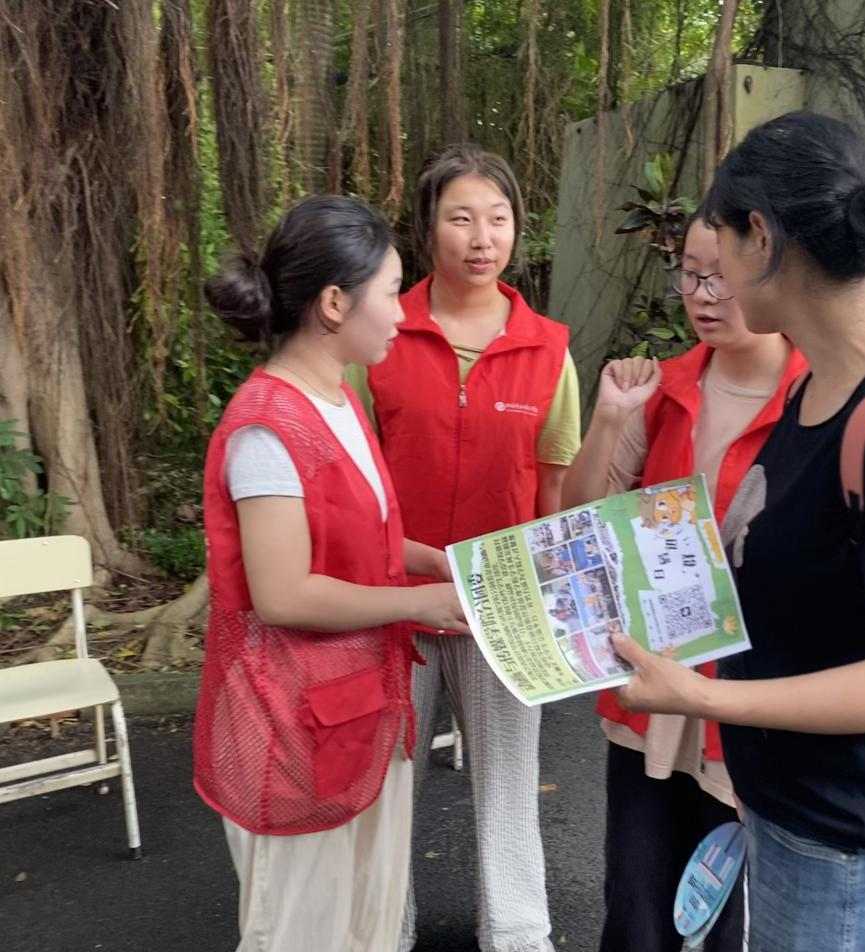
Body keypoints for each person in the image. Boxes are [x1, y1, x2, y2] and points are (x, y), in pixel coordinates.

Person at [610, 111, 865, 952]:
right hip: (786, 811)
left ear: (760, 235)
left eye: (718, 250)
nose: (710, 282)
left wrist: (702, 697)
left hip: (849, 844)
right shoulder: (818, 390)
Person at [196, 195, 470, 952]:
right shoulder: (266, 427)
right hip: (289, 726)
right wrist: (415, 600)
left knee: (368, 927)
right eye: (392, 293)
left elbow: (350, 534)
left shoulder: (340, 399)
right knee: (302, 932)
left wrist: (426, 559)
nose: (402, 314)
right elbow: (283, 593)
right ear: (333, 303)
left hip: (361, 713)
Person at [352, 145, 580, 952]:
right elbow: (350, 474)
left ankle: (516, 933)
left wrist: (551, 606)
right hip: (392, 603)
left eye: (498, 218)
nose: (482, 238)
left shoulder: (548, 348)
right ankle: (380, 930)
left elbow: (553, 486)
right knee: (384, 784)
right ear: (427, 229)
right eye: (461, 218)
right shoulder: (380, 331)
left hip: (503, 608)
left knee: (510, 782)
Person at [560, 215, 804, 952]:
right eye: (690, 275)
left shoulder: (817, 399)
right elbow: (577, 522)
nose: (701, 294)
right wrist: (609, 420)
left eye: (719, 276)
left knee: (725, 915)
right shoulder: (661, 389)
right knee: (636, 902)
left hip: (753, 701)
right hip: (654, 689)